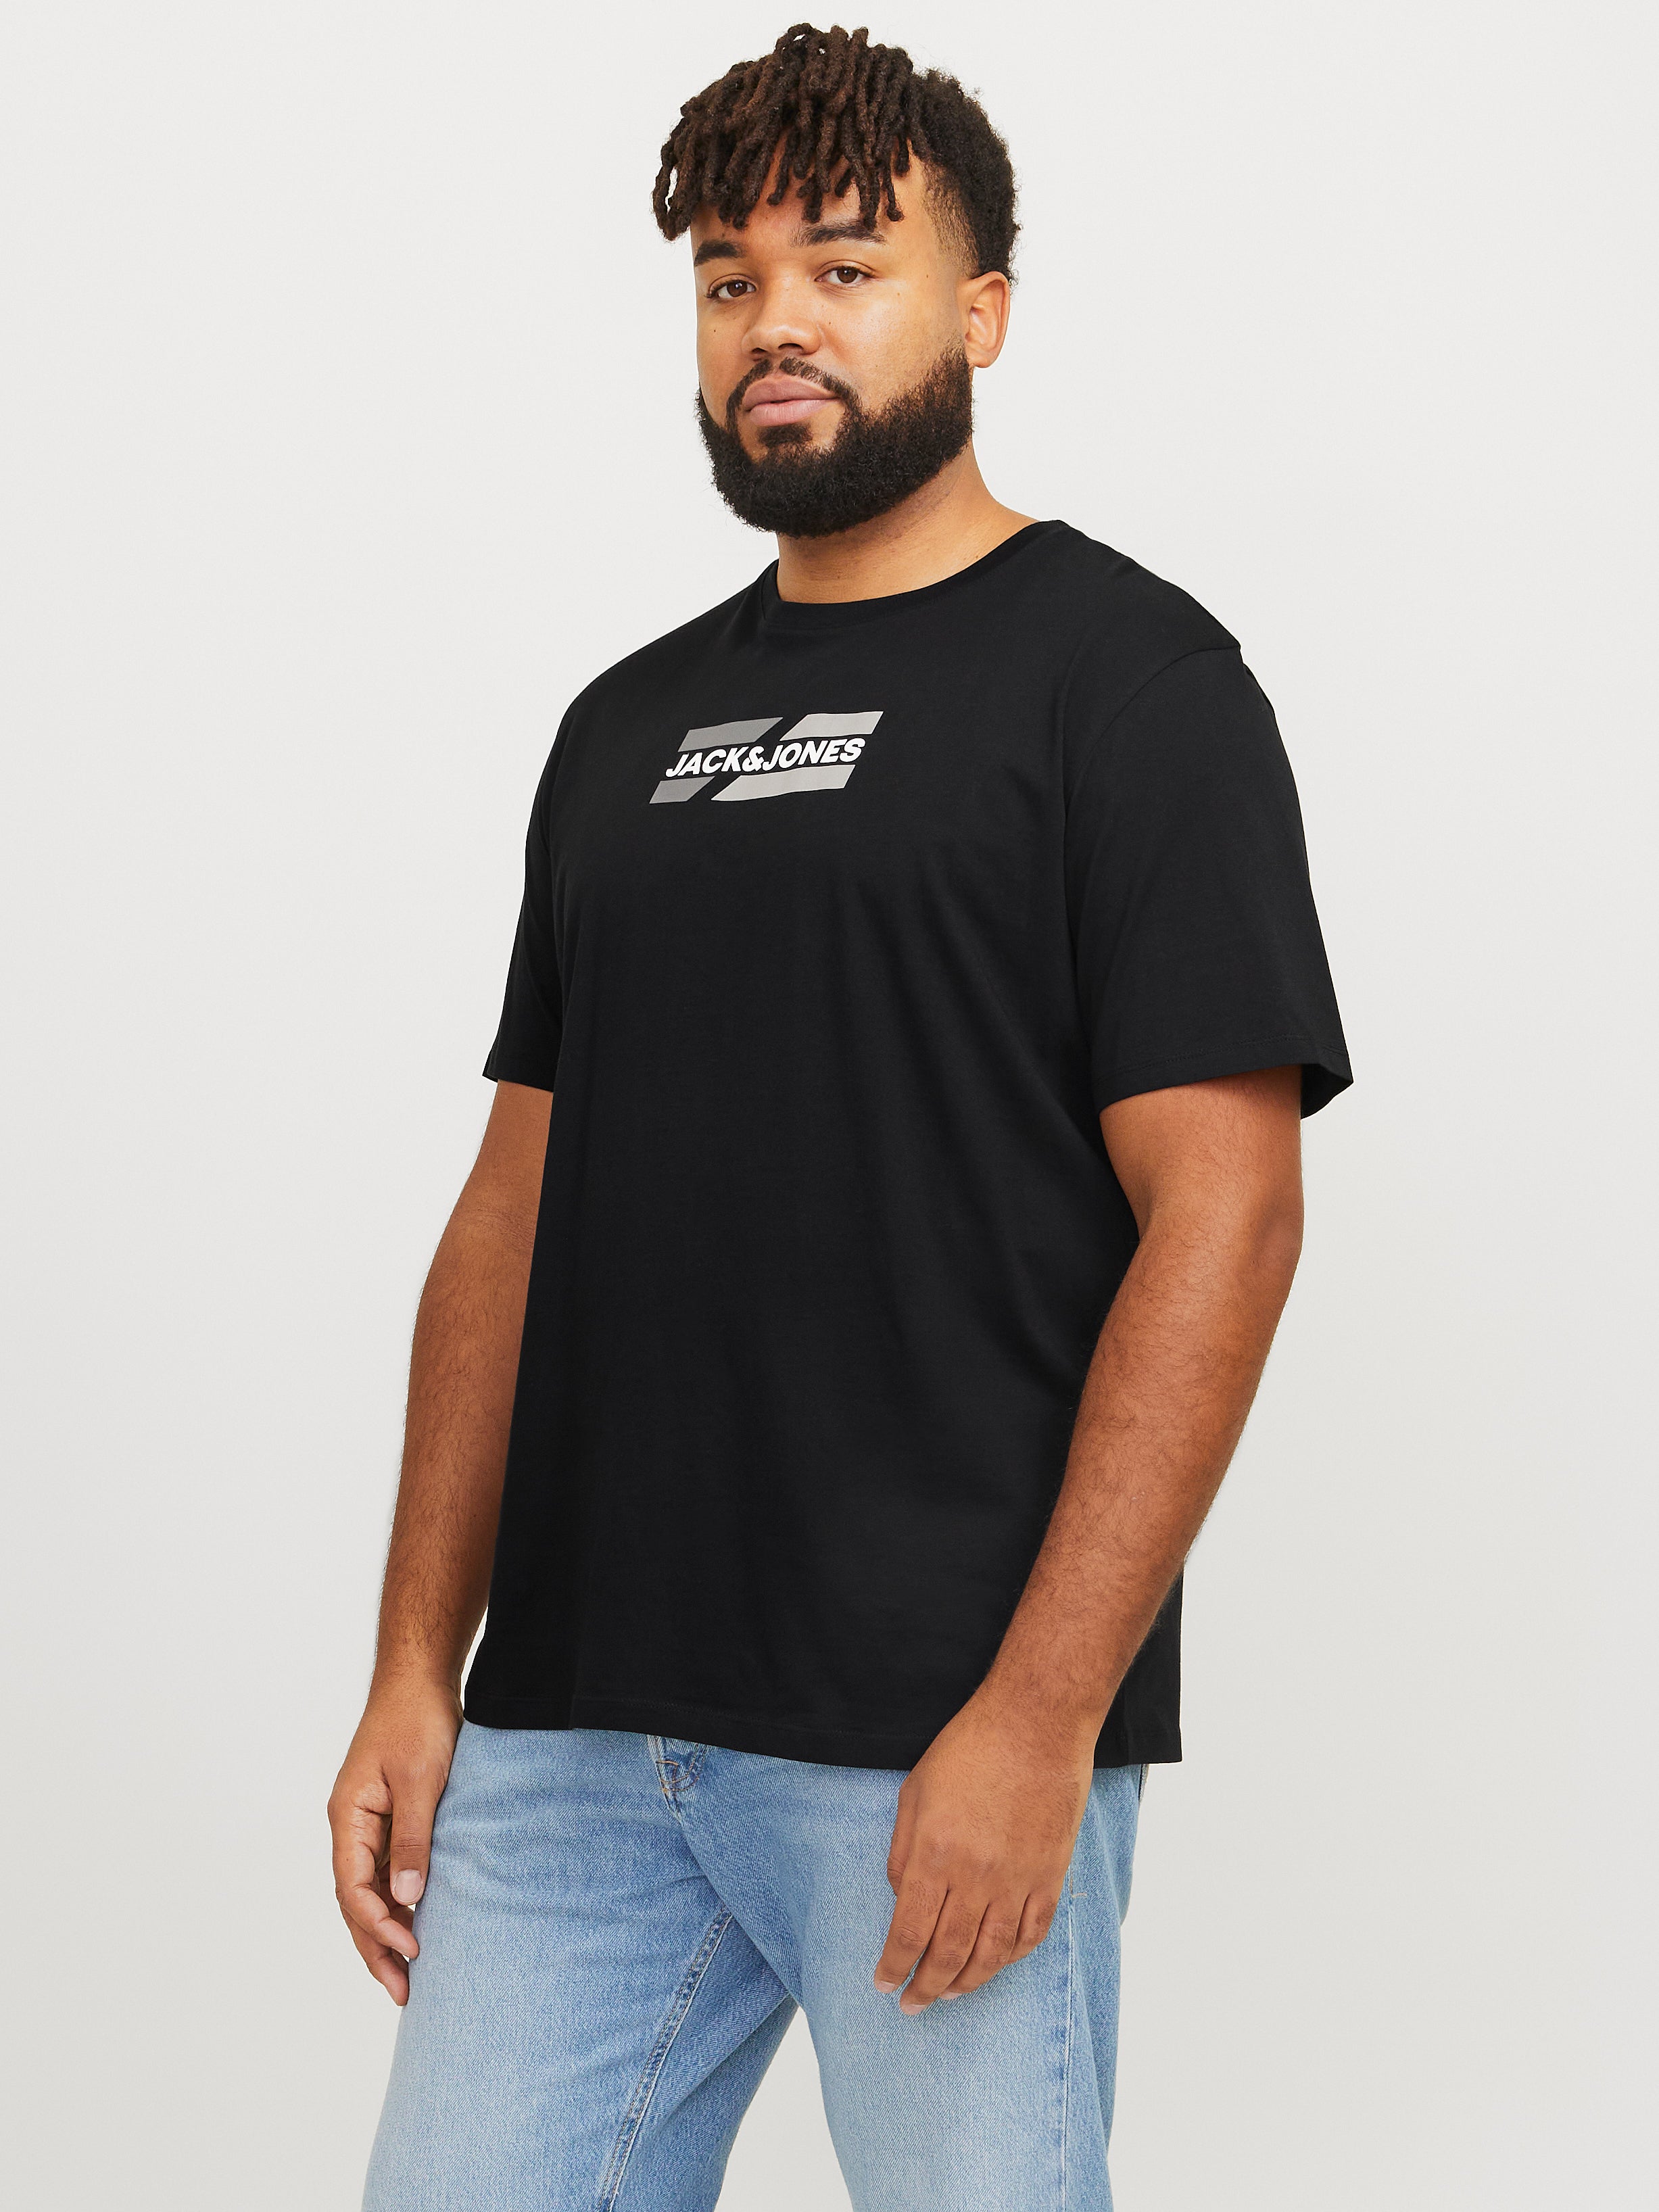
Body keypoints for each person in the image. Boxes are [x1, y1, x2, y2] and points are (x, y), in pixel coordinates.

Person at [329, 23, 1351, 2210]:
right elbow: (510, 1215)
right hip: (575, 1739)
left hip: (935, 1730)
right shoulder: (624, 729)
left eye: (844, 267)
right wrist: (418, 1664)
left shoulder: (1134, 688)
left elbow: (1229, 1218)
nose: (774, 321)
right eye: (729, 279)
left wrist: (1041, 1717)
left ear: (981, 311)